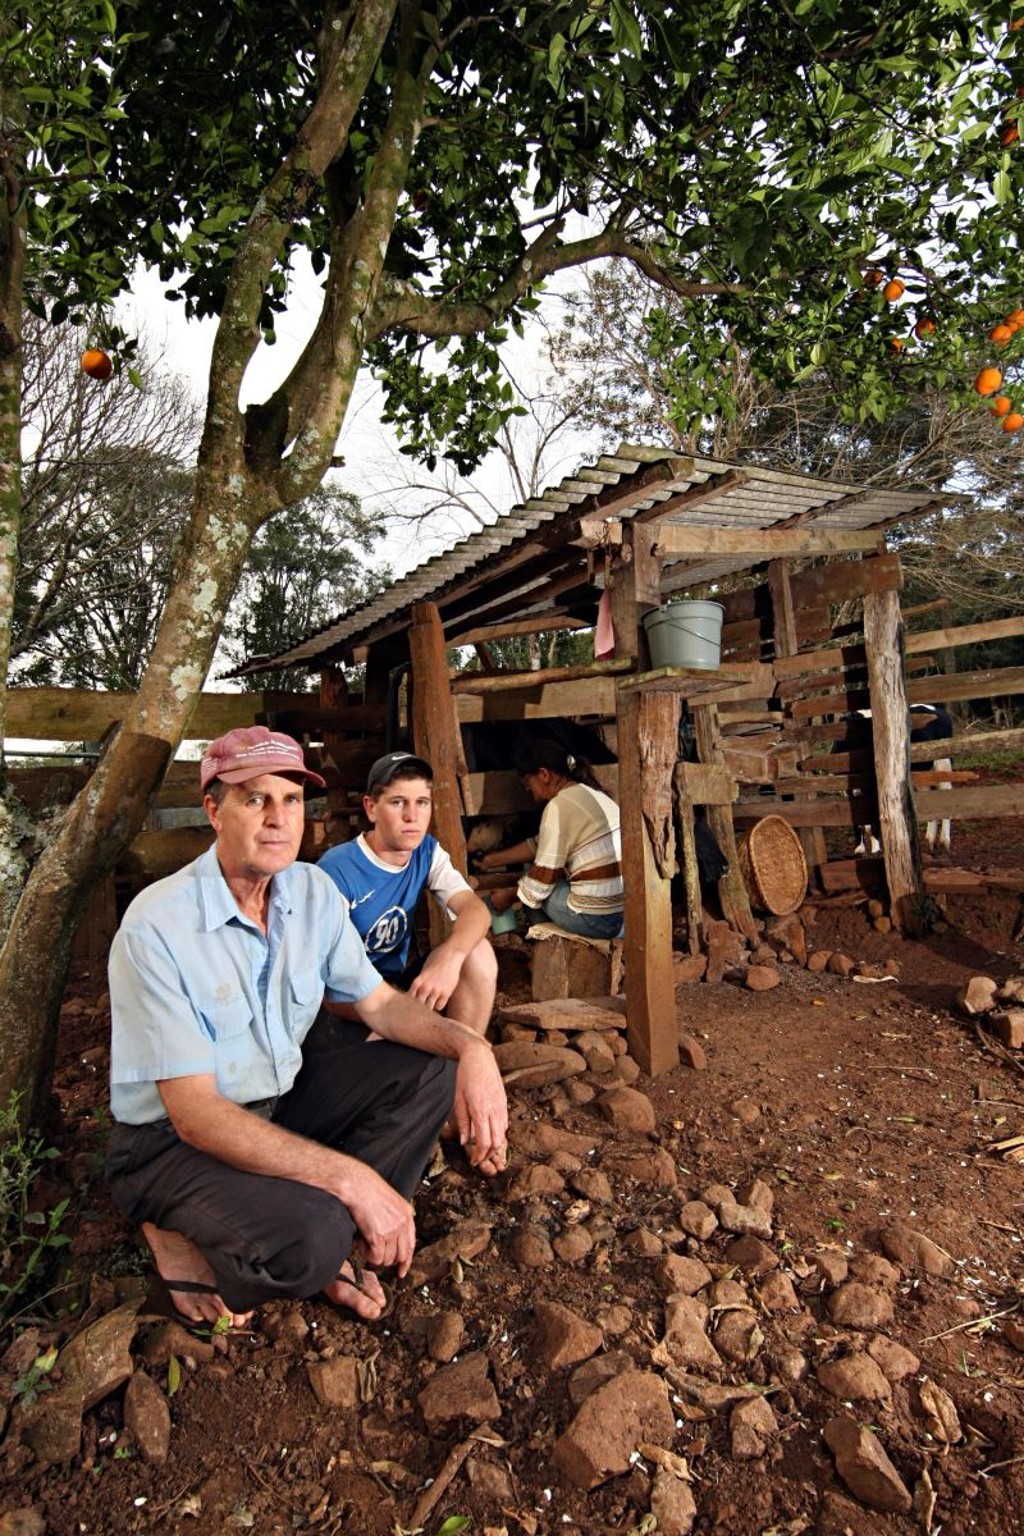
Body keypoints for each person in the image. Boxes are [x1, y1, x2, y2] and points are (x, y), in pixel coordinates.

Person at [105, 727, 508, 1331]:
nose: (278, 819)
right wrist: (352, 1178)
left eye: (292, 800)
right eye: (254, 799)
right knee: (312, 1237)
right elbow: (194, 1114)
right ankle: (176, 1231)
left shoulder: (311, 891)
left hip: (277, 1104)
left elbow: (379, 1005)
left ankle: (334, 1223)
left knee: (432, 1067)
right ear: (213, 810)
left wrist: (470, 1045)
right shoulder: (158, 925)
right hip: (171, 1141)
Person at [318, 751, 497, 1036]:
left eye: (421, 803)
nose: (411, 816)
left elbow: (475, 910)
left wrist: (449, 957)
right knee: (391, 1058)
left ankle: (461, 1059)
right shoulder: (336, 871)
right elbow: (330, 991)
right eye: (398, 802)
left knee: (477, 951)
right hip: (349, 1002)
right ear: (371, 808)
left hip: (397, 985)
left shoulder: (425, 851)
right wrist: (399, 1013)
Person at [477, 736, 624, 939]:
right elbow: (538, 845)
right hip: (621, 915)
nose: (528, 790)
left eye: (528, 782)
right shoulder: (592, 794)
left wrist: (507, 897)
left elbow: (540, 885)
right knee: (535, 881)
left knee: (533, 890)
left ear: (544, 774)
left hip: (596, 920)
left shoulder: (557, 806)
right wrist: (492, 860)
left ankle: (548, 940)